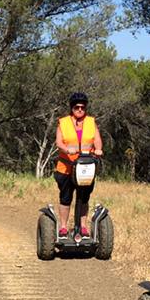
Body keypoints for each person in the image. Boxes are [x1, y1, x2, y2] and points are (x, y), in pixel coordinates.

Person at [54, 92, 104, 238]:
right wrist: (66, 149)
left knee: (84, 197)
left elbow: (97, 140)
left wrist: (99, 149)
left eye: (83, 107)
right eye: (77, 107)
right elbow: (59, 142)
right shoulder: (63, 122)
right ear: (72, 108)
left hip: (85, 167)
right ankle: (63, 227)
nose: (80, 110)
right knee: (66, 197)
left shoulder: (91, 122)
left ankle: (83, 227)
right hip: (66, 167)